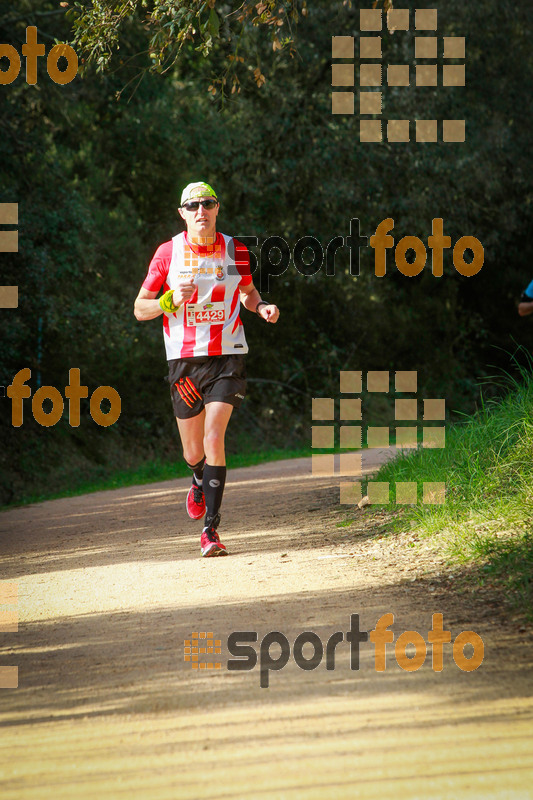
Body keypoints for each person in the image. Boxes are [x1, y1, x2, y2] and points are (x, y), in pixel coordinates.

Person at [134, 182, 280, 557]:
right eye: (193, 205)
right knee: (192, 450)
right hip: (183, 362)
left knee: (215, 437)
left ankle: (210, 531)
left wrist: (261, 307)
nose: (202, 210)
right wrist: (168, 299)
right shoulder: (169, 253)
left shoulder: (236, 250)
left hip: (227, 356)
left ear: (217, 209)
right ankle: (198, 477)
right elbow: (140, 308)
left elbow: (248, 292)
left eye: (208, 203)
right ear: (182, 213)